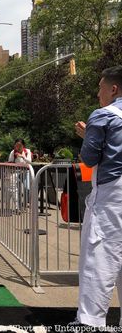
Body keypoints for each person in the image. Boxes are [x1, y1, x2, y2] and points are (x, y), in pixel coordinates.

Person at [72, 66, 122, 328]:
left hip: (112, 197)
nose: (97, 93)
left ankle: (89, 323)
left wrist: (87, 134)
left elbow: (89, 158)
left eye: (101, 88)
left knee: (98, 258)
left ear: (113, 89)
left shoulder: (103, 116)